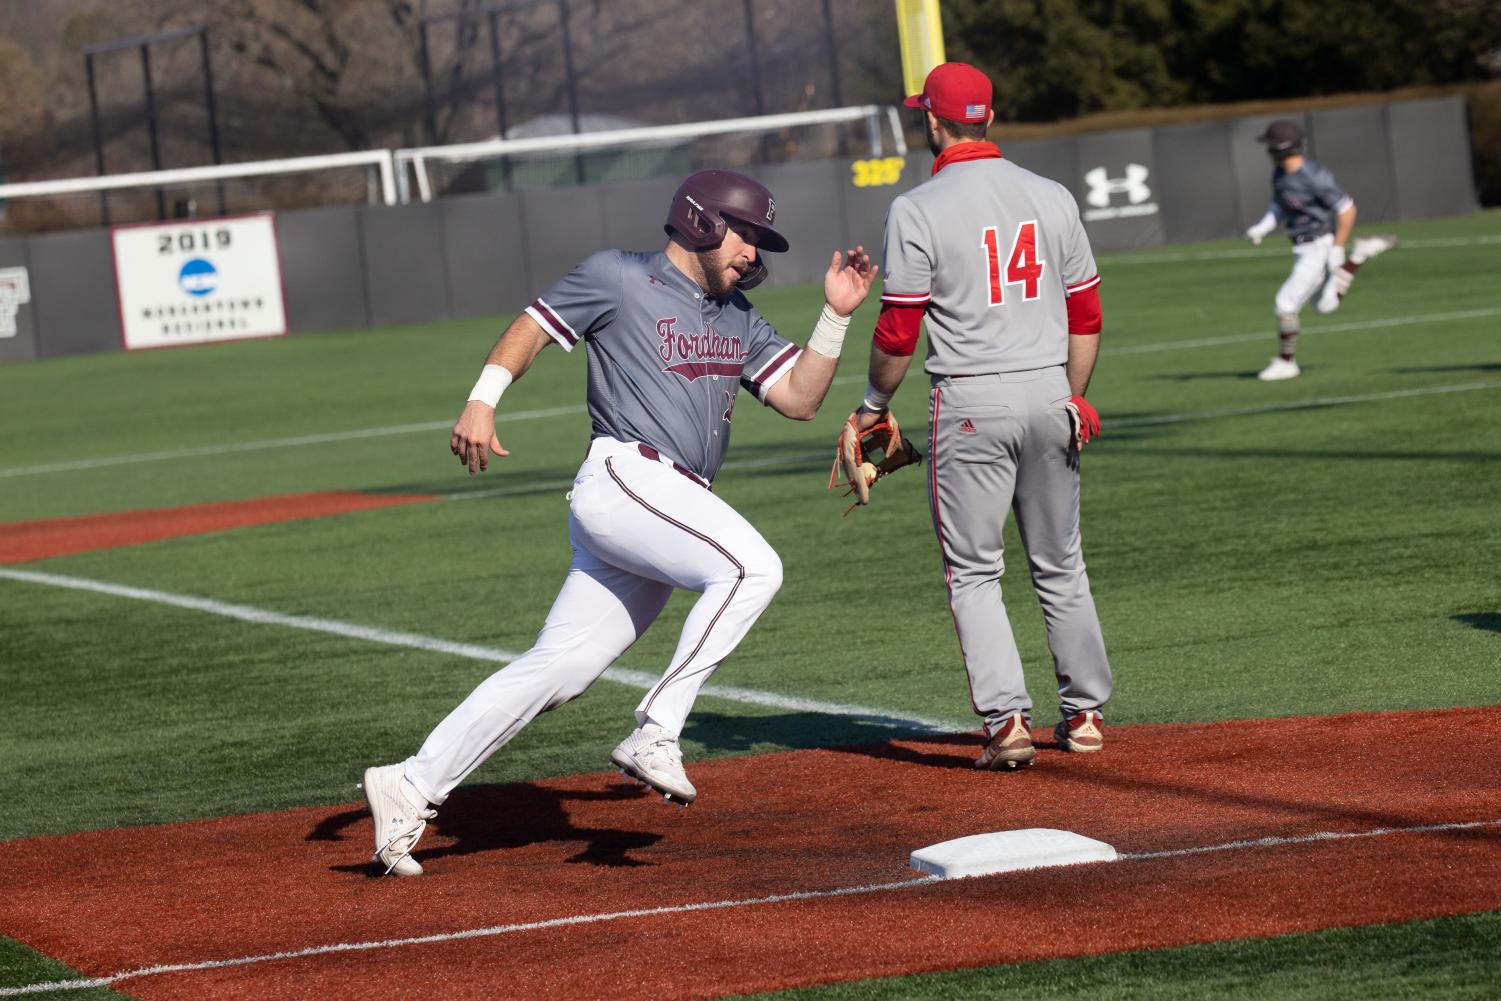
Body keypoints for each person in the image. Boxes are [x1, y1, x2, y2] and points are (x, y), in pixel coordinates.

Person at [361, 170, 877, 876]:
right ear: (698, 220)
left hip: (664, 505)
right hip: (625, 476)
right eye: (744, 232)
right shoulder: (617, 276)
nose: (753, 251)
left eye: (760, 240)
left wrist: (836, 315)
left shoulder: (737, 316)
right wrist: (482, 400)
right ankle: (656, 728)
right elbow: (533, 327)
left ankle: (410, 782)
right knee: (751, 567)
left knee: (561, 668)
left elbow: (798, 398)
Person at [849, 62, 1112, 771]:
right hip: (1049, 388)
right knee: (1060, 562)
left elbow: (898, 333)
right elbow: (1084, 314)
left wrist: (873, 406)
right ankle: (1084, 713)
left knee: (973, 571)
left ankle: (1007, 724)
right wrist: (1074, 394)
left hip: (969, 399)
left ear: (932, 122)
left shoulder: (917, 208)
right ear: (988, 117)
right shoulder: (1050, 195)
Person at [1244, 120, 1397, 381]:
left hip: (1318, 246)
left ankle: (1286, 362)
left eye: (1270, 146)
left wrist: (1337, 247)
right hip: (1303, 248)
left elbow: (1347, 208)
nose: (1267, 151)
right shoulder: (1280, 173)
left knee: (1285, 304)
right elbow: (1280, 205)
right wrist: (1263, 226)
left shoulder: (1314, 176)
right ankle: (1359, 255)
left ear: (1281, 148)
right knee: (1326, 306)